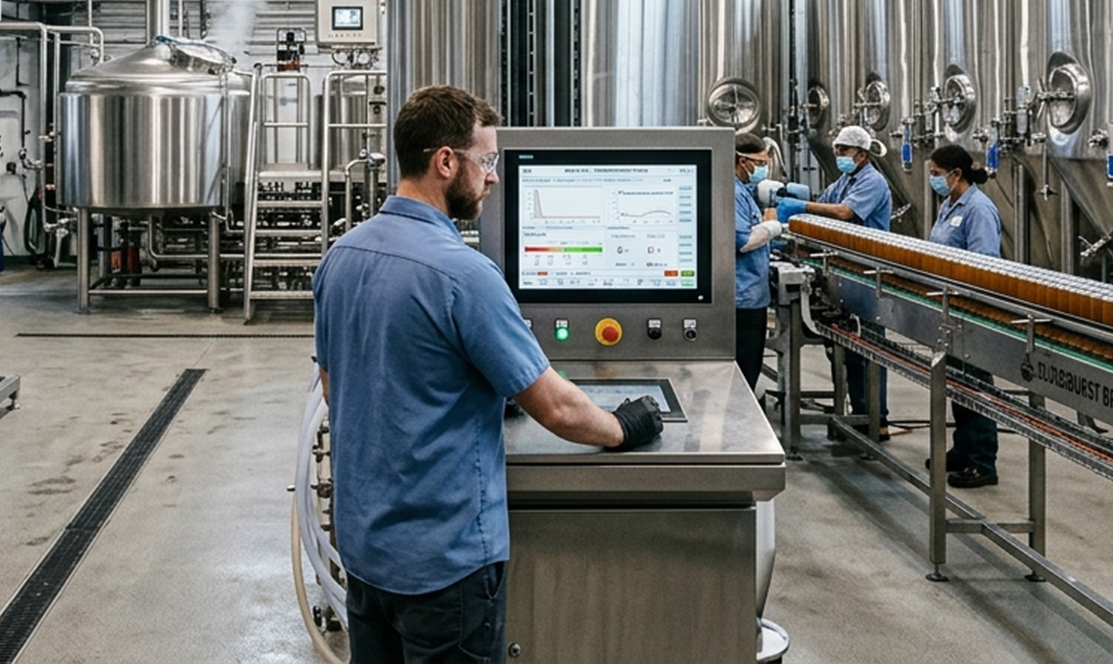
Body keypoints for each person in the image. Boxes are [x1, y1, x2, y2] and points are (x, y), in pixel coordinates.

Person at [313, 85, 664, 664]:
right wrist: (623, 426)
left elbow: (337, 385)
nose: (493, 177)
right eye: (487, 161)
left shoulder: (341, 256)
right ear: (445, 162)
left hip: (367, 555)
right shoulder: (464, 275)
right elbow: (554, 407)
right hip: (444, 570)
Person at [798, 125, 894, 437]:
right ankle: (858, 415)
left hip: (867, 275)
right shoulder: (846, 179)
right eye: (836, 149)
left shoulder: (872, 182)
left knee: (869, 349)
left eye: (844, 150)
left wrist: (801, 207)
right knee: (850, 349)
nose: (838, 155)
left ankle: (875, 418)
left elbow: (842, 213)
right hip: (845, 273)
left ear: (862, 154)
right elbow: (824, 203)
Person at [925, 144, 1005, 489]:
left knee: (975, 383)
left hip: (970, 308)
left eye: (936, 174)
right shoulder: (949, 205)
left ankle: (982, 461)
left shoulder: (979, 210)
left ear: (955, 175)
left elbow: (984, 264)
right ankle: (962, 449)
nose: (933, 180)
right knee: (958, 382)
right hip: (949, 307)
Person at [733, 132, 786, 391]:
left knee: (750, 363)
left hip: (751, 294)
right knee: (744, 368)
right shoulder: (731, 191)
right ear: (743, 161)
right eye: (761, 162)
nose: (763, 168)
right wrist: (772, 228)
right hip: (742, 297)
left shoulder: (743, 190)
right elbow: (742, 241)